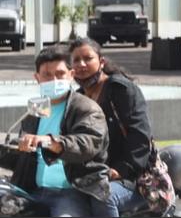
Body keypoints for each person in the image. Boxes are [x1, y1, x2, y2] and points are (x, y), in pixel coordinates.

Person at [0, 45, 112, 217]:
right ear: (37, 78)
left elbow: (88, 143)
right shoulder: (35, 110)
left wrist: (50, 141)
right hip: (31, 191)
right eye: (47, 75)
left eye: (60, 74)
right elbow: (24, 155)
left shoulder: (86, 108)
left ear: (71, 75)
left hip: (71, 193)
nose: (54, 80)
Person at [68, 37, 152, 215]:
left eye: (88, 58)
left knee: (103, 197)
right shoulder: (76, 98)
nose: (82, 64)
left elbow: (140, 137)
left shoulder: (121, 90)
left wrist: (121, 170)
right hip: (91, 176)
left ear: (101, 61)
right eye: (76, 60)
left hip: (133, 179)